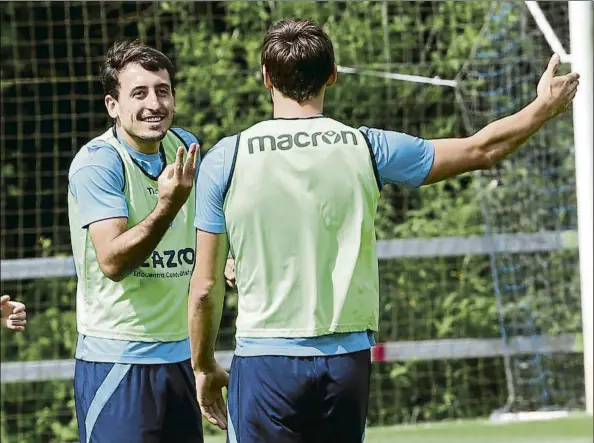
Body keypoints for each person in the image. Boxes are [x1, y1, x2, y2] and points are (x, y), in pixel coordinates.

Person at [189, 19, 579, 443]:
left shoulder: (226, 158)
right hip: (346, 360)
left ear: (266, 77)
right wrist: (542, 108)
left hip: (265, 357)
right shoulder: (366, 147)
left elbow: (206, 287)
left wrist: (204, 366)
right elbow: (479, 149)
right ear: (333, 75)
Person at [68, 39, 233, 443]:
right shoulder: (99, 163)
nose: (153, 104)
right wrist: (167, 206)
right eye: (138, 93)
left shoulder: (184, 147)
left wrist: (231, 256)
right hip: (118, 361)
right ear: (113, 105)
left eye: (162, 90)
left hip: (180, 357)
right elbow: (113, 262)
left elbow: (210, 223)